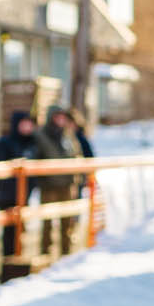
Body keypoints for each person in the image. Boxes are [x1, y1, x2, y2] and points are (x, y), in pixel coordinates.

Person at [34, 104, 94, 257]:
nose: (60, 120)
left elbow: (77, 154)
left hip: (67, 184)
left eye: (62, 117)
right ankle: (45, 253)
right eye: (57, 117)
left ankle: (66, 254)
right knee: (47, 220)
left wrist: (77, 175)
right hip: (48, 184)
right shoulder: (41, 135)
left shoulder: (68, 135)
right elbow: (39, 156)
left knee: (67, 221)